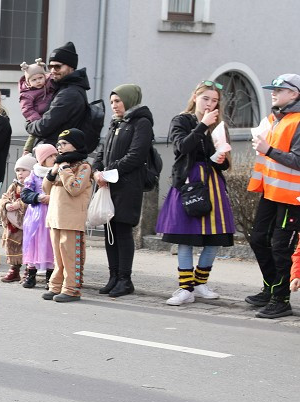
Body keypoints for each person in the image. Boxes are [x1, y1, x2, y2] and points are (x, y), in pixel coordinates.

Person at [155, 81, 234, 306]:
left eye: (214, 100)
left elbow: (224, 164)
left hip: (213, 185)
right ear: (195, 97)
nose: (209, 104)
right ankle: (185, 288)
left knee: (214, 239)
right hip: (189, 184)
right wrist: (201, 126)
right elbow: (181, 147)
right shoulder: (182, 120)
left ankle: (200, 283)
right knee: (185, 238)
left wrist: (220, 159)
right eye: (205, 99)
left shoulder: (218, 125)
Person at [91, 84, 154, 298]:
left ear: (129, 99)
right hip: (108, 184)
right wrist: (96, 170)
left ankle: (125, 280)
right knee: (110, 232)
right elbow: (102, 151)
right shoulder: (115, 123)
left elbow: (136, 155)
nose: (114, 106)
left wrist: (107, 171)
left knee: (123, 231)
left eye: (118, 101)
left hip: (127, 185)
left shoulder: (141, 122)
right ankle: (113, 276)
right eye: (111, 102)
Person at [245, 74, 300, 319]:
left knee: (281, 248)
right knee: (258, 239)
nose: (273, 93)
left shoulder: (298, 120)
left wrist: (269, 150)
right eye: (272, 89)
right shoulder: (274, 118)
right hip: (271, 192)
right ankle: (270, 288)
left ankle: (281, 299)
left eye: (280, 89)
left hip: (292, 197)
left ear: (295, 94)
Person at [41, 128, 93, 303]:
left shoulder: (84, 167)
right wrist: (53, 172)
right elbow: (45, 189)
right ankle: (55, 286)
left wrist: (63, 169)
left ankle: (71, 289)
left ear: (76, 145)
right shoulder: (61, 166)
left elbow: (75, 188)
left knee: (71, 257)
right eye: (59, 144)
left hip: (72, 221)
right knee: (58, 257)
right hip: (55, 218)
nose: (60, 147)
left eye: (64, 143)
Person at [26, 42, 90, 147]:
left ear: (71, 67)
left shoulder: (69, 94)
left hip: (55, 154)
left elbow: (44, 127)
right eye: (50, 66)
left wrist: (28, 124)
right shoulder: (64, 89)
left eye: (57, 67)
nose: (52, 71)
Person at [20, 143, 56, 288]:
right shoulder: (34, 174)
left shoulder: (57, 173)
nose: (54, 158)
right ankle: (31, 274)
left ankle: (51, 277)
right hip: (35, 215)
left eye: (55, 155)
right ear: (42, 159)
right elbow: (25, 194)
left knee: (50, 244)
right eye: (50, 156)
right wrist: (39, 197)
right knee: (33, 243)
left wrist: (52, 198)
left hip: (51, 214)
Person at [0, 154, 34, 282]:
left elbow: (35, 200)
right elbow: (5, 197)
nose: (20, 173)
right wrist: (7, 204)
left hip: (28, 222)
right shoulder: (14, 185)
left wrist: (21, 204)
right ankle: (14, 269)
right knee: (12, 243)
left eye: (24, 170)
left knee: (28, 245)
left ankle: (29, 270)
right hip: (13, 223)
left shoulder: (34, 185)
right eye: (18, 170)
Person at [19, 59, 54, 153]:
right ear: (28, 82)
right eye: (34, 80)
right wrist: (36, 119)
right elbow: (27, 109)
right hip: (37, 118)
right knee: (33, 135)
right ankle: (27, 150)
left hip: (49, 115)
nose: (38, 81)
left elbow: (52, 77)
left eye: (40, 78)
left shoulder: (48, 85)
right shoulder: (27, 94)